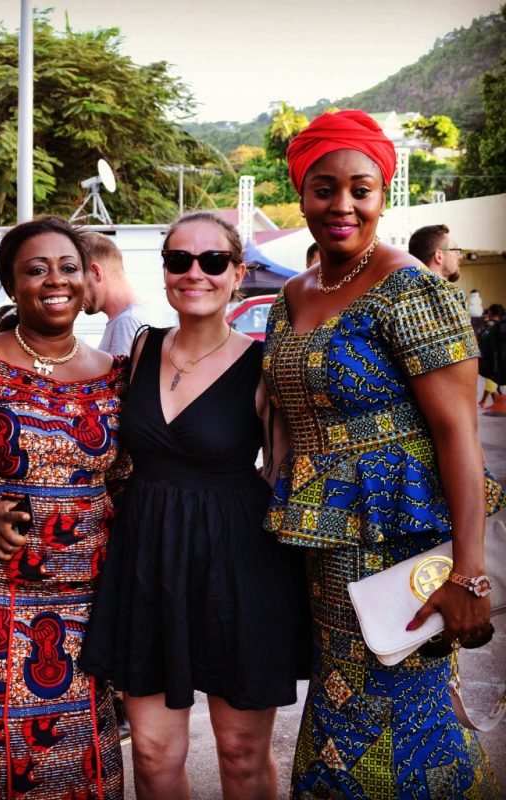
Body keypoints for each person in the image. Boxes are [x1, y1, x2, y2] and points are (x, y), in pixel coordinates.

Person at [265, 109, 502, 798]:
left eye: (360, 189)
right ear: (302, 194)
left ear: (381, 196)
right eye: (324, 187)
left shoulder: (409, 287)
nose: (342, 204)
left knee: (410, 720)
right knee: (340, 709)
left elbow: (459, 431)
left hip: (401, 546)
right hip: (324, 546)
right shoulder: (290, 296)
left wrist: (471, 574)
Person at [81, 210, 304, 800]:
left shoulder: (266, 366)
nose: (195, 273)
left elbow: (284, 474)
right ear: (165, 272)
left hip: (240, 563)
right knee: (153, 755)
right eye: (180, 260)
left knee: (240, 752)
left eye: (213, 261)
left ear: (237, 274)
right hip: (147, 560)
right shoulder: (139, 350)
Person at [0, 217, 128, 799]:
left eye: (67, 268)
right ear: (12, 287)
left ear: (88, 281)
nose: (54, 281)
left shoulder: (117, 376)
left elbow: (126, 482)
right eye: (35, 270)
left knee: (86, 770)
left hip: (88, 609)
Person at [82, 231, 153, 356]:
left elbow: (123, 376)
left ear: (96, 273)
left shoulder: (127, 321)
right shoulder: (126, 319)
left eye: (78, 280)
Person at [479, 303, 505, 408]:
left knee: (492, 381)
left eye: (489, 311)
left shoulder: (490, 326)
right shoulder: (499, 326)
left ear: (492, 312)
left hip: (490, 360)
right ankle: (496, 403)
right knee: (492, 382)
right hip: (496, 361)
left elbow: (483, 341)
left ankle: (496, 403)